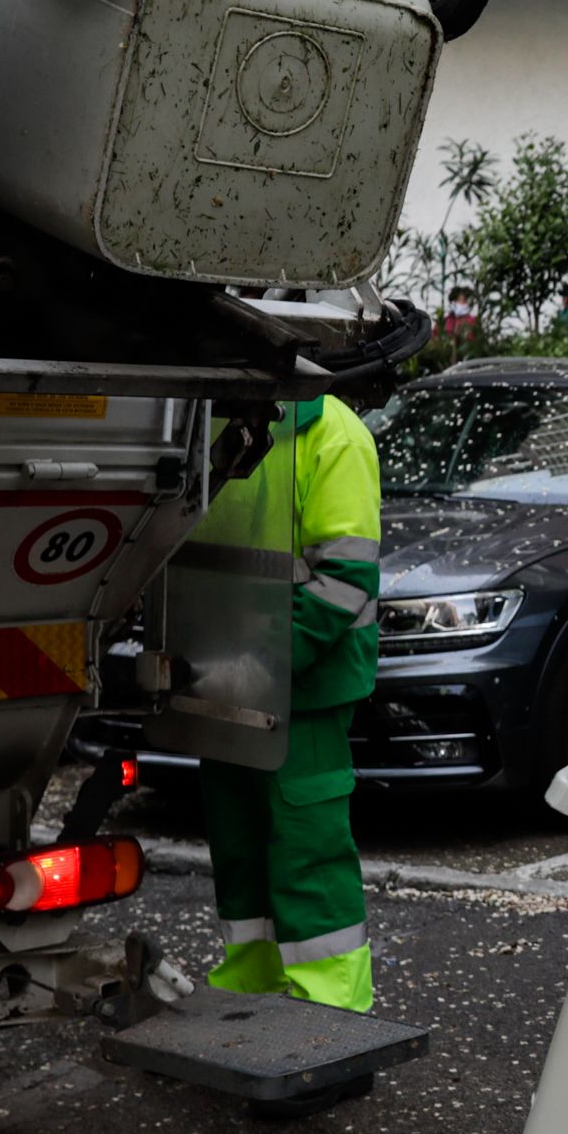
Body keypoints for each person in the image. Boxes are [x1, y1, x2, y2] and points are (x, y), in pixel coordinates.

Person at [196, 393, 385, 1014]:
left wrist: (266, 661)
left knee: (307, 850)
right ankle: (251, 989)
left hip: (301, 685)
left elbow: (344, 580)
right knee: (240, 846)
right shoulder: (211, 416)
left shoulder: (333, 433)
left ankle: (333, 1011)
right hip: (226, 673)